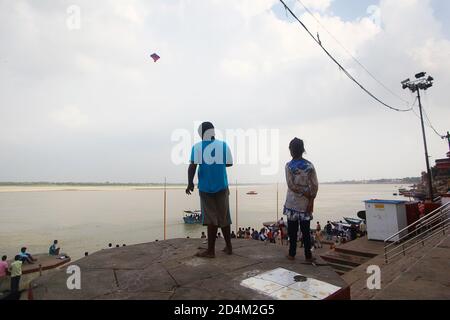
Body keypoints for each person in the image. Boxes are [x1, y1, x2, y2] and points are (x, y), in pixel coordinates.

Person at [186, 122, 233, 258]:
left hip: (206, 188)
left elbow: (192, 167)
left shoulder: (197, 147)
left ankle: (211, 251)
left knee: (211, 219)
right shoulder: (223, 145)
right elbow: (229, 163)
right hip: (222, 186)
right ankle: (229, 247)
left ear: (202, 134)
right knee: (224, 217)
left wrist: (190, 183)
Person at [284, 138, 319, 262]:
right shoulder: (309, 165)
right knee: (305, 231)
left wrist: (306, 195)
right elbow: (314, 185)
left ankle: (292, 254)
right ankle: (308, 256)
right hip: (306, 204)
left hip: (292, 204)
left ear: (291, 150)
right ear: (303, 149)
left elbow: (291, 185)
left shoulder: (288, 166)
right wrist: (311, 199)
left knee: (292, 232)